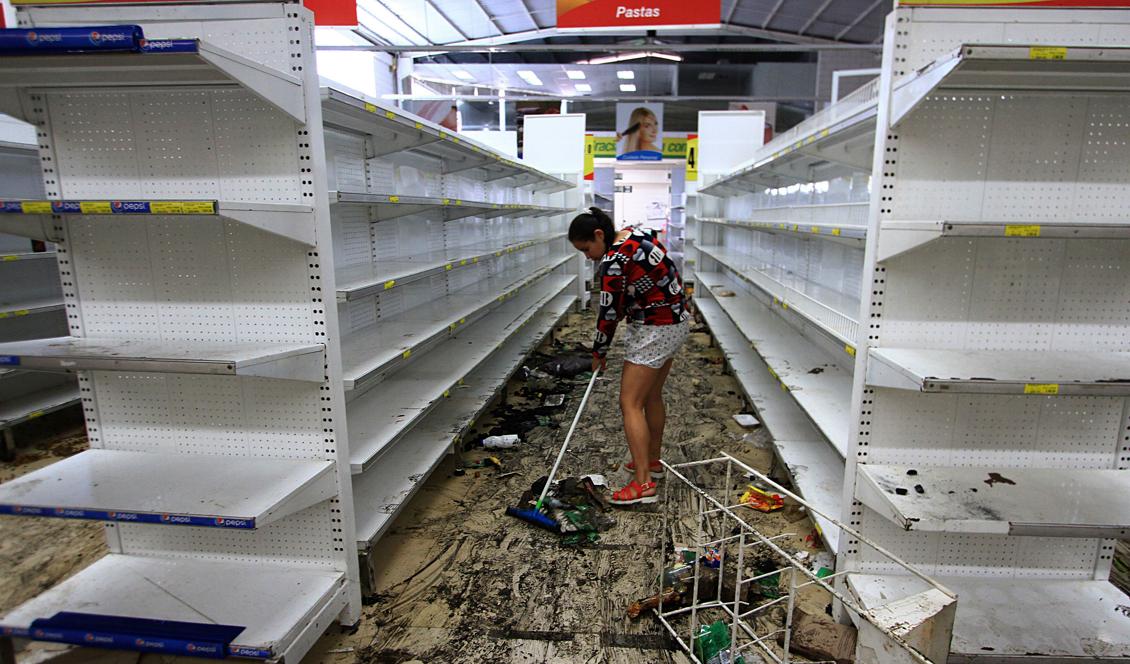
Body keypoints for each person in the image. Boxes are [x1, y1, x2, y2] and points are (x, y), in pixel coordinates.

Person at [569, 207, 690, 506]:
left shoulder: (612, 260)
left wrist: (599, 351)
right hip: (675, 321)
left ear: (599, 235)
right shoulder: (635, 236)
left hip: (654, 328)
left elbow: (608, 313)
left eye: (587, 249)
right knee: (650, 397)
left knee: (630, 403)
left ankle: (643, 485)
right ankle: (652, 462)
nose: (588, 257)